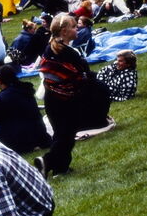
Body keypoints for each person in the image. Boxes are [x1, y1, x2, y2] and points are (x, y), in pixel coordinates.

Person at [35, 14, 111, 177]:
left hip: (52, 97)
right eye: (74, 27)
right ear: (64, 31)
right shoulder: (69, 52)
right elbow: (82, 75)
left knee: (62, 135)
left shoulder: (50, 48)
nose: (77, 29)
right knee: (66, 135)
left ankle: (60, 169)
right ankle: (47, 161)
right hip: (67, 99)